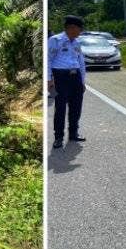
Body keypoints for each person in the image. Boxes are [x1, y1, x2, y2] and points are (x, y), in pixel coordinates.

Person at [48, 15, 87, 149]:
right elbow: (48, 59)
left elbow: (81, 62)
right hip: (60, 77)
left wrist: (82, 81)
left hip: (75, 77)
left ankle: (73, 133)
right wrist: (49, 80)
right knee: (60, 108)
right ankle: (58, 137)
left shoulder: (76, 42)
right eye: (79, 29)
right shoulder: (55, 40)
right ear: (71, 28)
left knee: (76, 106)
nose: (80, 32)